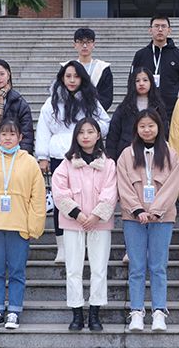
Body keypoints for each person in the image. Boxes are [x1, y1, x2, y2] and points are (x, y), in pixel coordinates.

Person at [0, 118, 47, 330]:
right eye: (3, 134)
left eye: (12, 134)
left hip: (19, 224)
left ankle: (14, 311)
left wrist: (34, 225)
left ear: (20, 137)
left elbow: (38, 197)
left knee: (17, 271)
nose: (7, 138)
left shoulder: (29, 162)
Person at [35, 60, 110, 263]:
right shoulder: (52, 102)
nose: (72, 80)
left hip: (85, 153)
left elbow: (105, 122)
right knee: (61, 201)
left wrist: (90, 132)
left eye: (76, 76)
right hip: (59, 155)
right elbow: (43, 129)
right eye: (68, 76)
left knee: (86, 198)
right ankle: (62, 247)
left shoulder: (91, 100)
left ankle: (85, 243)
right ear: (62, 78)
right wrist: (42, 156)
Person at [117, 109, 179, 332]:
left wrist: (156, 211)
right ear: (136, 128)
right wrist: (137, 210)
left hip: (162, 219)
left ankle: (159, 311)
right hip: (133, 218)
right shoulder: (127, 154)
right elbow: (123, 184)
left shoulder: (170, 154)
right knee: (136, 266)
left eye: (151, 125)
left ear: (158, 127)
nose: (147, 130)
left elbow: (173, 185)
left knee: (158, 266)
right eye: (142, 126)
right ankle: (136, 311)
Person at [51, 117, 117, 332]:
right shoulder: (66, 163)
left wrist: (96, 216)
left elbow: (110, 192)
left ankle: (95, 313)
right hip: (73, 223)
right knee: (73, 269)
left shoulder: (108, 164)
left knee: (99, 269)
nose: (86, 136)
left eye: (90, 132)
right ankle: (77, 313)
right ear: (76, 136)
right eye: (81, 132)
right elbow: (59, 192)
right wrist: (77, 214)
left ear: (98, 135)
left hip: (99, 223)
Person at [130, 15, 179, 120]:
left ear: (169, 30)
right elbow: (132, 81)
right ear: (150, 30)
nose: (160, 29)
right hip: (145, 110)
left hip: (171, 110)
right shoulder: (140, 55)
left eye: (163, 26)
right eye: (156, 26)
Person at [106, 67, 168, 161]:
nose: (141, 83)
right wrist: (111, 159)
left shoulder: (159, 107)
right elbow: (113, 135)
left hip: (153, 154)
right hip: (127, 154)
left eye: (145, 80)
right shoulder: (124, 107)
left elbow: (164, 132)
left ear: (151, 83)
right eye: (137, 81)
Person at [60, 28, 114, 111]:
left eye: (88, 42)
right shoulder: (66, 67)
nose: (84, 46)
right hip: (70, 112)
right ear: (74, 45)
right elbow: (61, 92)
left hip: (95, 114)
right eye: (80, 42)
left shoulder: (103, 68)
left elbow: (106, 97)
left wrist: (92, 111)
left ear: (94, 44)